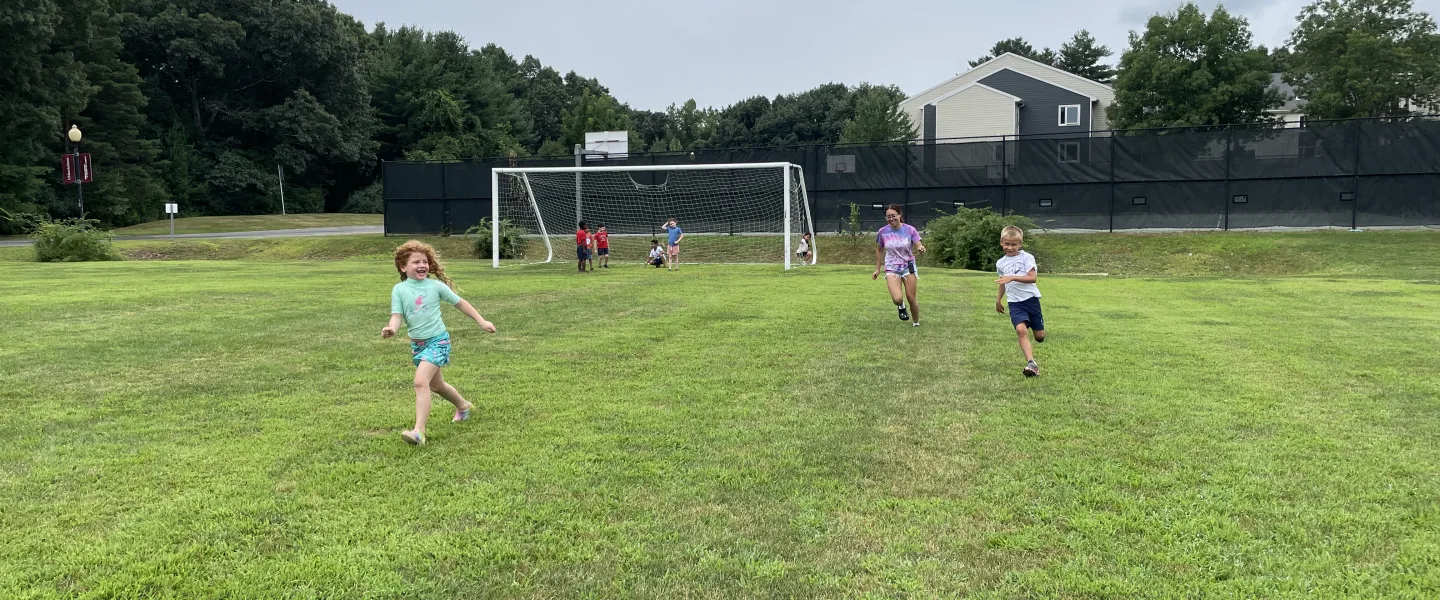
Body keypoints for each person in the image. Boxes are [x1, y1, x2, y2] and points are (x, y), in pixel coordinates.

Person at [381, 240, 496, 445]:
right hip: (418, 345)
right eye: (415, 262)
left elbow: (460, 303)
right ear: (403, 267)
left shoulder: (435, 286)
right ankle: (464, 406)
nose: (422, 265)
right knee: (437, 385)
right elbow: (397, 316)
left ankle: (419, 432)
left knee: (420, 382)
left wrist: (482, 321)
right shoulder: (399, 290)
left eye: (425, 261)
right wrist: (392, 328)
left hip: (438, 341)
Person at [995, 225, 1045, 377]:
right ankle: (1031, 363)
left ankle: (1035, 329)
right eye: (1007, 244)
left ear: (1020, 244)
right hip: (1015, 302)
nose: (1010, 247)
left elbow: (1032, 278)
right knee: (1021, 330)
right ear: (1001, 242)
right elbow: (1003, 282)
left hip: (1031, 300)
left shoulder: (1026, 258)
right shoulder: (1000, 263)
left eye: (1014, 244)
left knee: (1039, 337)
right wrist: (998, 299)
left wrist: (1013, 277)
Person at [871, 204, 925, 326]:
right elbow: (879, 250)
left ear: (899, 215)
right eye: (888, 217)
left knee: (911, 298)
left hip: (908, 266)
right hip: (892, 267)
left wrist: (921, 248)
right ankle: (901, 306)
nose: (891, 219)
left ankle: (916, 323)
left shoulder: (910, 230)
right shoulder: (883, 232)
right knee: (897, 298)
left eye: (893, 216)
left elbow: (918, 244)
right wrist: (877, 269)